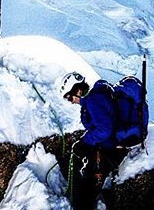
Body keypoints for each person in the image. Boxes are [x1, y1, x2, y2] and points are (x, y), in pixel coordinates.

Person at [60, 72, 132, 210]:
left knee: (86, 193)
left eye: (69, 97)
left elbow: (105, 129)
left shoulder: (94, 101)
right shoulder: (94, 98)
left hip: (110, 148)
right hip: (108, 144)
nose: (70, 101)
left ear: (77, 90)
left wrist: (85, 142)